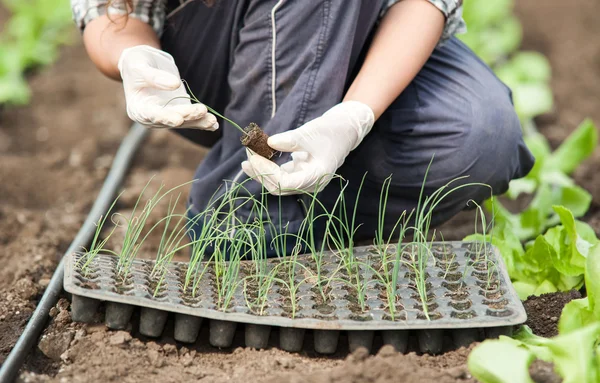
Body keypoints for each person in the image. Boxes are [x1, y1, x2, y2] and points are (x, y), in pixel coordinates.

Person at [72, 0, 534, 252]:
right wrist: (133, 57)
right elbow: (109, 11)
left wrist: (356, 116)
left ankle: (311, 202)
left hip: (365, 31)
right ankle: (245, 222)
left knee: (480, 140)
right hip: (217, 39)